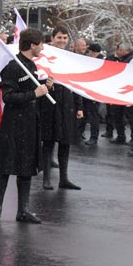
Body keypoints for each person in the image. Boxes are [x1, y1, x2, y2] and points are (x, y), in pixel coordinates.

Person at [0, 28, 47, 224]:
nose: (43, 47)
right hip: (13, 123)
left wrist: (46, 86)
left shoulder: (32, 66)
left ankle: (23, 210)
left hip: (30, 122)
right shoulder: (13, 67)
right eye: (40, 44)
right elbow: (8, 97)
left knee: (26, 167)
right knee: (4, 166)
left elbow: (31, 88)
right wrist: (34, 94)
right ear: (32, 45)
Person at [38, 25, 82, 191]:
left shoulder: (71, 57)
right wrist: (45, 84)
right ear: (52, 38)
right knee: (48, 141)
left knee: (65, 142)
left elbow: (76, 82)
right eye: (59, 37)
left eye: (64, 38)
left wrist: (79, 106)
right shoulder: (44, 56)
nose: (62, 40)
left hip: (67, 104)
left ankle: (64, 178)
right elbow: (38, 77)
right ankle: (46, 178)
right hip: (50, 102)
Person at [104, 42, 131, 143]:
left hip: (124, 91)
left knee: (123, 115)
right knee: (116, 114)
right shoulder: (114, 59)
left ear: (126, 51)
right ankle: (120, 135)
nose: (118, 52)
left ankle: (124, 136)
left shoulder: (129, 60)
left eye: (120, 50)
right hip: (116, 90)